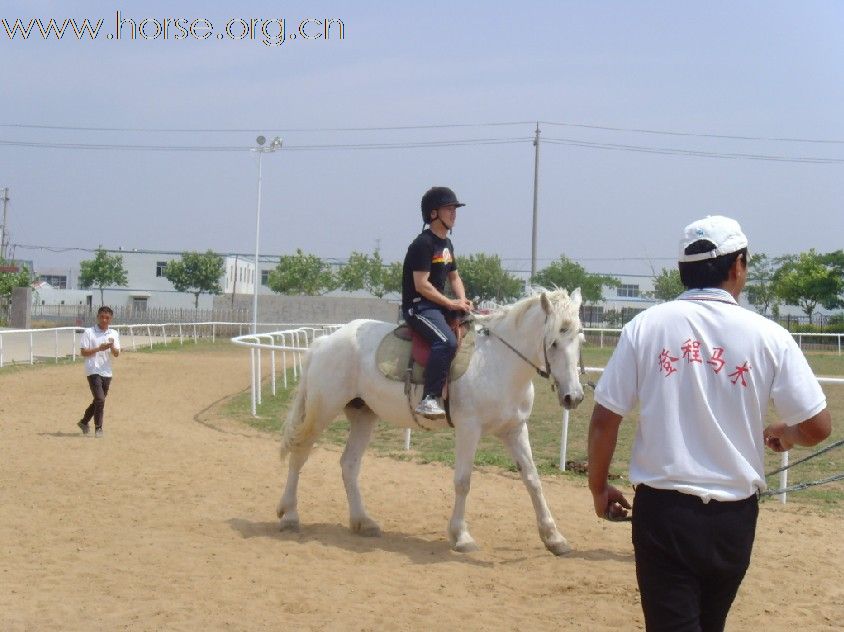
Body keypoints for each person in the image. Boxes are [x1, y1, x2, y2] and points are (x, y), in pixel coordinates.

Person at [587, 215, 832, 632]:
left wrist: (598, 486)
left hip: (663, 513)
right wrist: (786, 434)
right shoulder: (769, 335)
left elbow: (605, 419)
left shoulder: (645, 327)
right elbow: (818, 426)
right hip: (734, 520)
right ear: (737, 266)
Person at [402, 186, 473, 418]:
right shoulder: (423, 244)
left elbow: (454, 277)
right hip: (419, 307)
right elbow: (421, 284)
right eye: (449, 209)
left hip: (438, 307)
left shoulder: (447, 245)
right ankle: (429, 397)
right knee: (446, 341)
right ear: (434, 214)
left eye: (455, 209)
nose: (454, 213)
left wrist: (462, 299)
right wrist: (451, 304)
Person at [77, 306, 121, 438]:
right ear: (98, 317)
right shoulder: (89, 332)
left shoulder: (113, 333)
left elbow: (117, 353)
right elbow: (83, 352)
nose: (104, 320)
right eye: (102, 317)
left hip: (106, 371)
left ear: (111, 319)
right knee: (100, 399)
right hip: (93, 370)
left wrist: (111, 346)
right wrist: (98, 349)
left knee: (98, 400)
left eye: (107, 317)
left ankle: (84, 422)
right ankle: (98, 428)